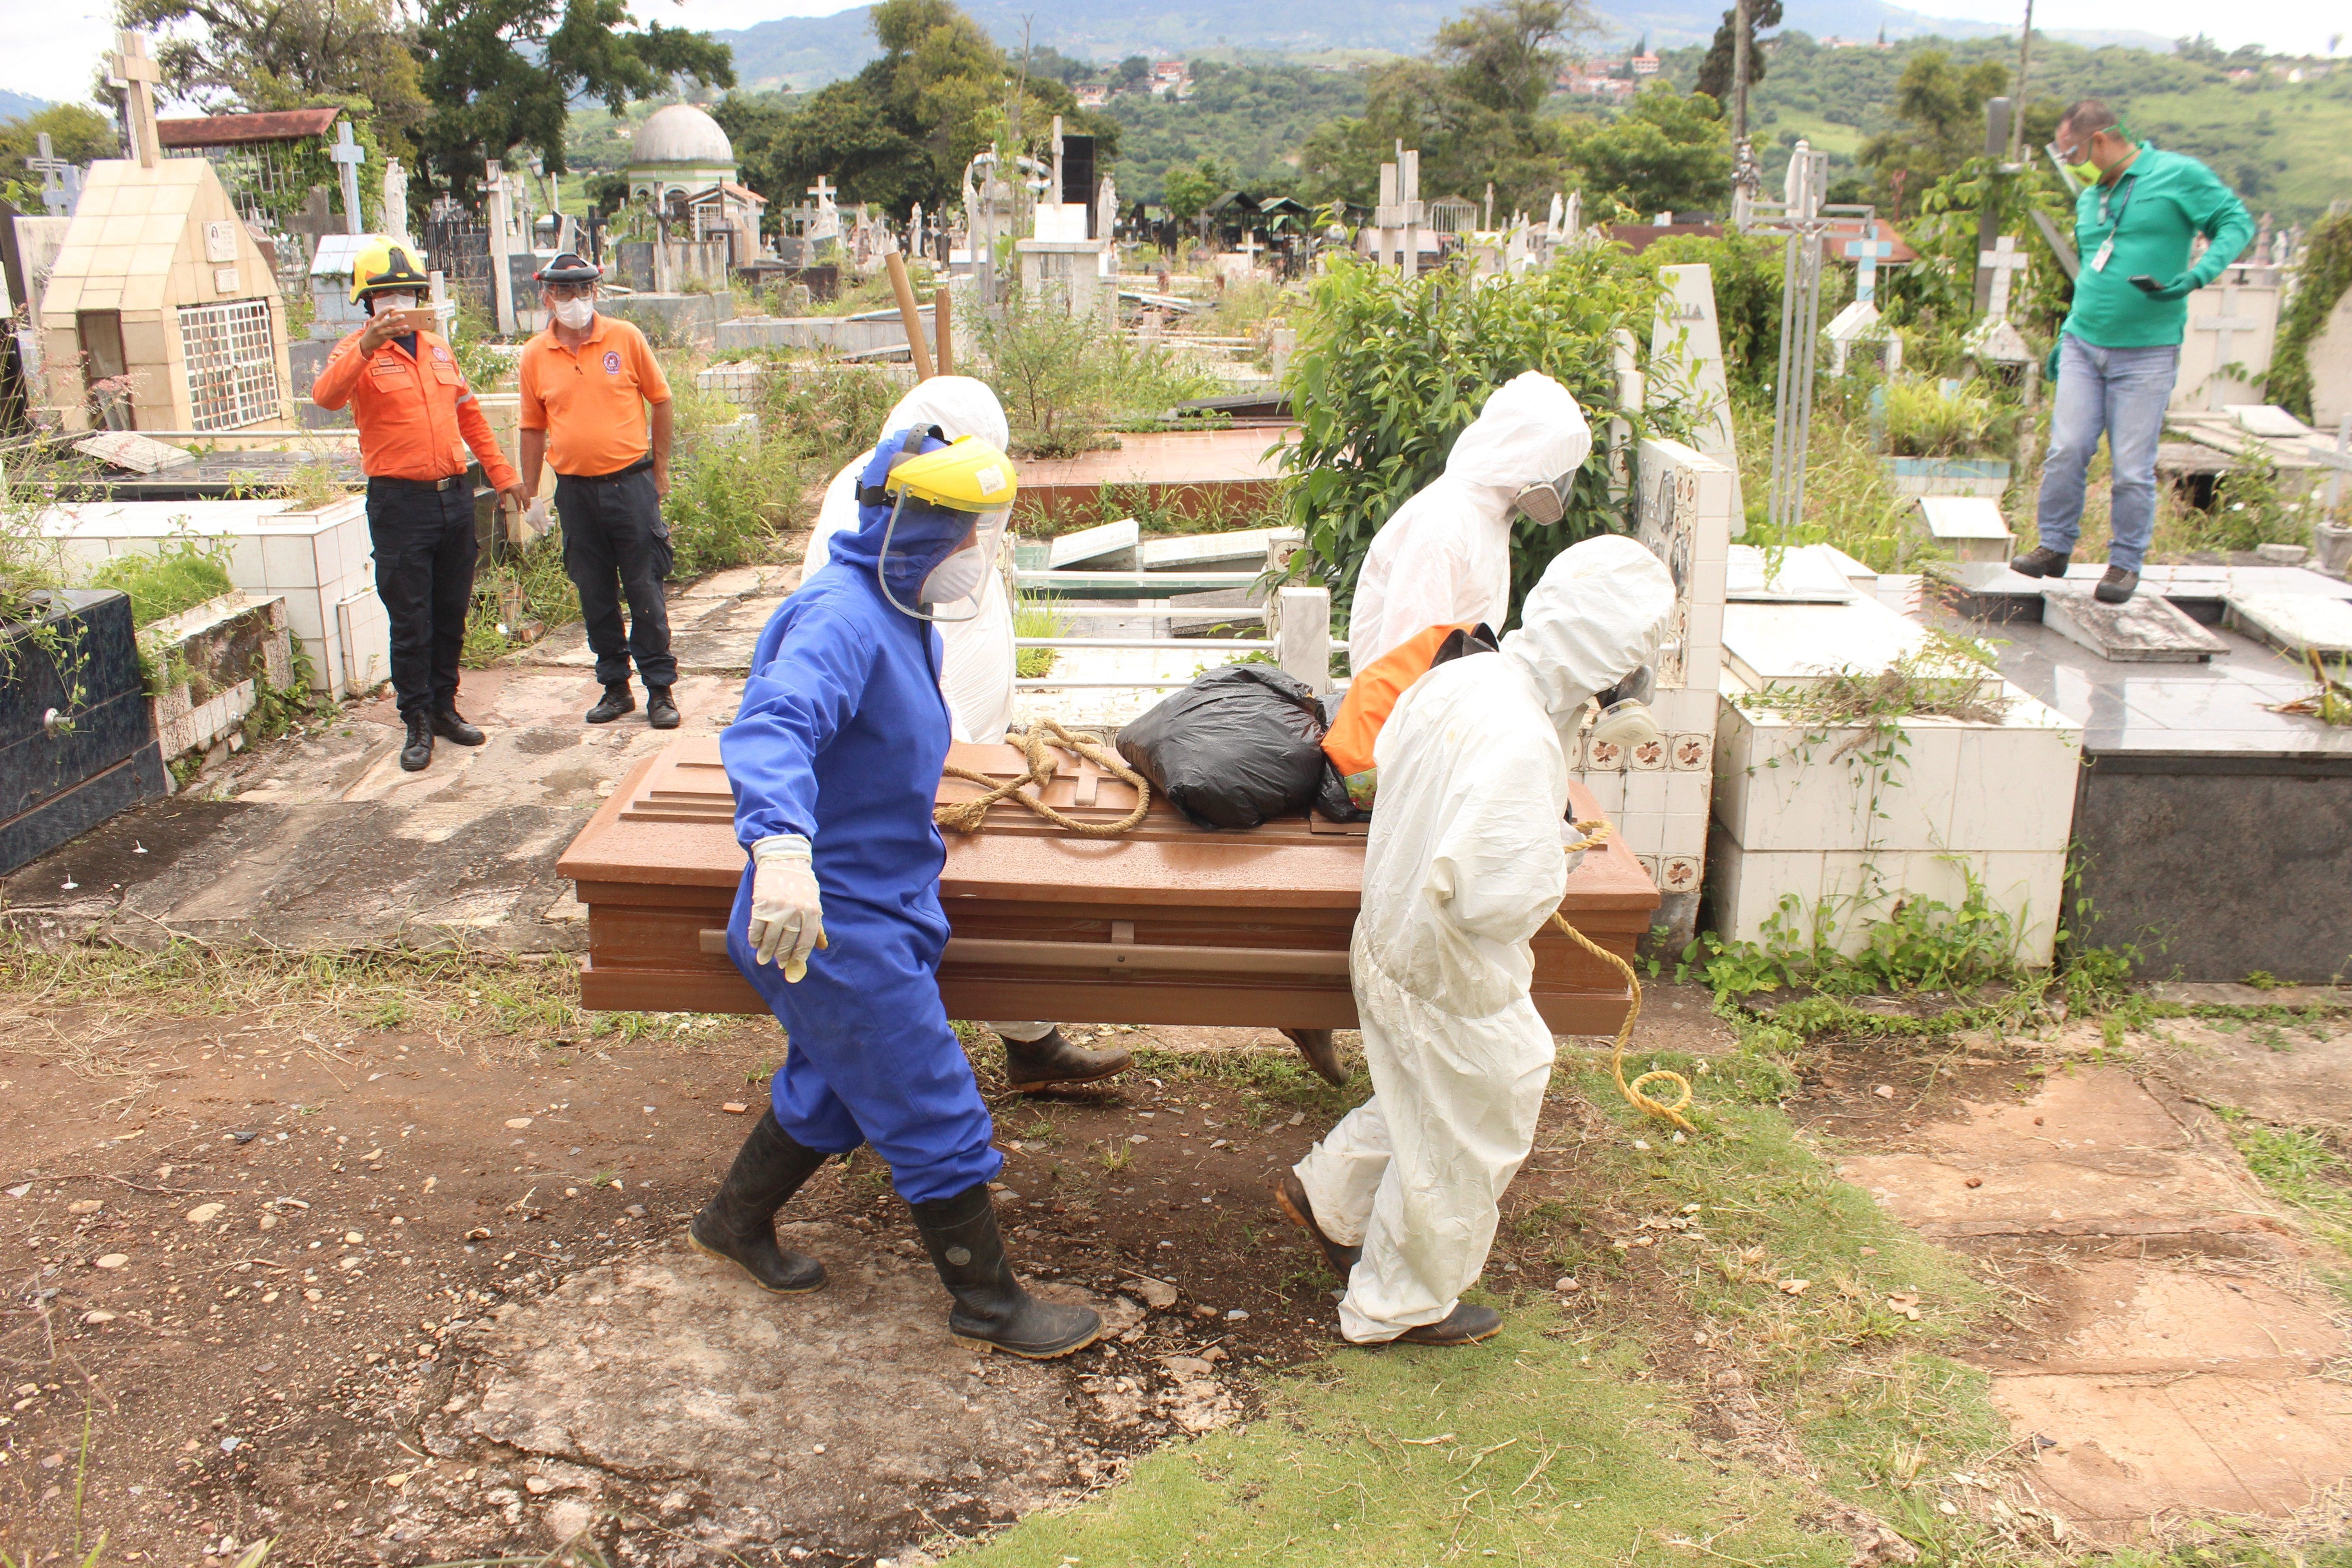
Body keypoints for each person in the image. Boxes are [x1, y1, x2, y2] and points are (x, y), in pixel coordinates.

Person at [694, 424, 1100, 1360]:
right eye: (961, 532)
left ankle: (731, 1221)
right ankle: (988, 1304)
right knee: (929, 1101)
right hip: (826, 922)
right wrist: (783, 851)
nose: (972, 553)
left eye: (981, 533)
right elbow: (772, 732)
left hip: (884, 902)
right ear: (908, 526)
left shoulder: (899, 609)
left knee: (837, 1088)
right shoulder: (841, 618)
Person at [1275, 535, 1673, 1347]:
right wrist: (1548, 857)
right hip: (1448, 967)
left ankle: (1331, 1199)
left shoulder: (1463, 674)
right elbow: (1493, 901)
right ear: (1609, 656)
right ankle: (1399, 1302)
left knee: (1424, 1092)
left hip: (1388, 932)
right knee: (1479, 1111)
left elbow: (1393, 769)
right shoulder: (1521, 737)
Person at [801, 376, 1130, 1094]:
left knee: (975, 891)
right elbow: (806, 707)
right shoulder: (870, 523)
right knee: (934, 915)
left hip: (956, 743)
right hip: (906, 769)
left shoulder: (936, 501)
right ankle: (894, 1071)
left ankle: (1026, 1043)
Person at [2011, 98, 2253, 605]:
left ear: (2099, 140)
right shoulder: (2091, 197)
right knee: (2067, 449)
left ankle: (2124, 564)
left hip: (2146, 352)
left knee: (2131, 466)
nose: (2070, 160)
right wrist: (2066, 335)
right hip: (2083, 342)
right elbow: (2093, 275)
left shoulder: (2178, 175)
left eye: (2071, 150)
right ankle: (2054, 547)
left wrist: (2198, 275)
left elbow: (2236, 223)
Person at [313, 236, 526, 773]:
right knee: (411, 619)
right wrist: (367, 345)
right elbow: (326, 397)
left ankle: (445, 707)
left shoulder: (437, 348)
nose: (397, 304)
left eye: (406, 294)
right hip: (399, 505)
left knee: (451, 611)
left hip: (453, 500)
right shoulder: (355, 354)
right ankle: (416, 721)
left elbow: (470, 417)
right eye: (385, 296)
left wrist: (503, 476)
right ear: (367, 303)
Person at [516, 253, 681, 729]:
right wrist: (531, 493)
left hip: (630, 485)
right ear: (547, 296)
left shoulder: (624, 338)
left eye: (583, 290)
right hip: (575, 492)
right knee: (594, 591)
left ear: (595, 292)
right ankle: (615, 687)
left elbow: (661, 399)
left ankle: (660, 690)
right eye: (564, 291)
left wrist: (661, 470)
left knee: (644, 585)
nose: (574, 300)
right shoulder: (535, 355)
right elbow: (532, 427)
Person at [1345, 370, 1592, 676]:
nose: (1559, 488)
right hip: (1400, 713)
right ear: (1521, 448)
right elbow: (1412, 661)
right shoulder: (1445, 519)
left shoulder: (1489, 518)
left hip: (1447, 704)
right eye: (1556, 469)